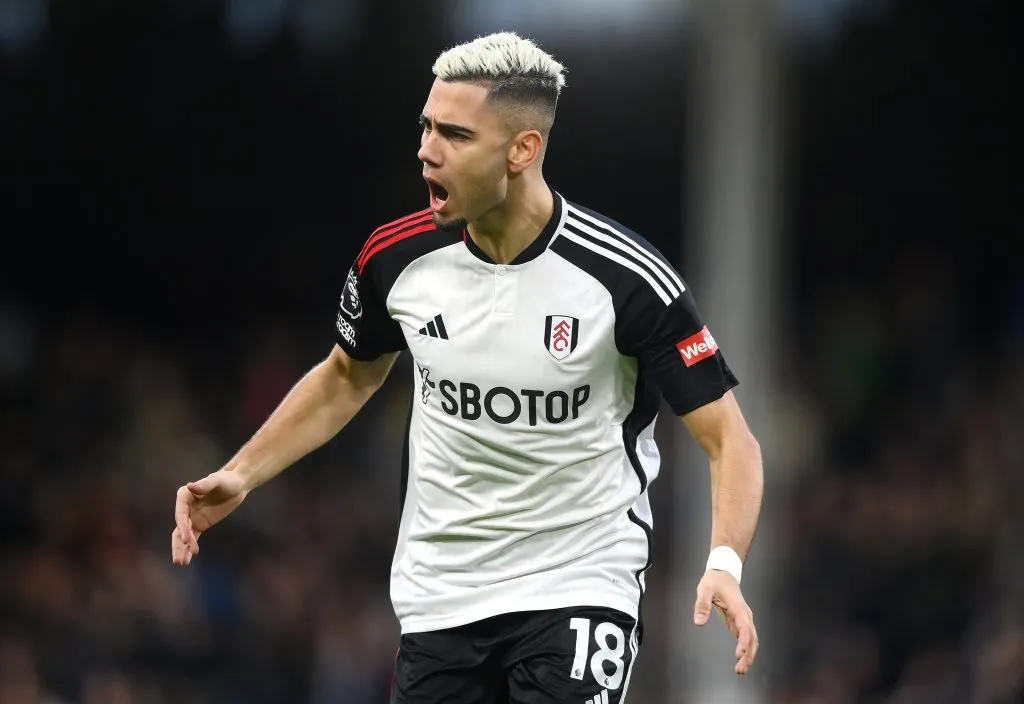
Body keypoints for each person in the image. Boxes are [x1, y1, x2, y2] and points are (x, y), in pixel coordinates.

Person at [171, 31, 763, 703]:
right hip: (440, 598)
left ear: (522, 150)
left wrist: (724, 562)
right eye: (425, 127)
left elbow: (729, 440)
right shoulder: (394, 260)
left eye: (453, 134)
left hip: (579, 585)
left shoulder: (626, 280)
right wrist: (241, 474)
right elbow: (347, 375)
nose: (426, 150)